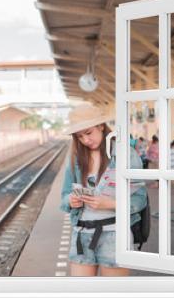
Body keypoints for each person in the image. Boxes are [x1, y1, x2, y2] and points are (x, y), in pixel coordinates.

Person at [60, 104, 148, 277]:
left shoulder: (125, 154)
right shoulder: (75, 158)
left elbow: (140, 198)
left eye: (88, 133)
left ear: (101, 126)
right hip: (82, 234)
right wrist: (71, 201)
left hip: (114, 235)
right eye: (79, 136)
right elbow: (64, 196)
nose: (85, 140)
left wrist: (111, 203)